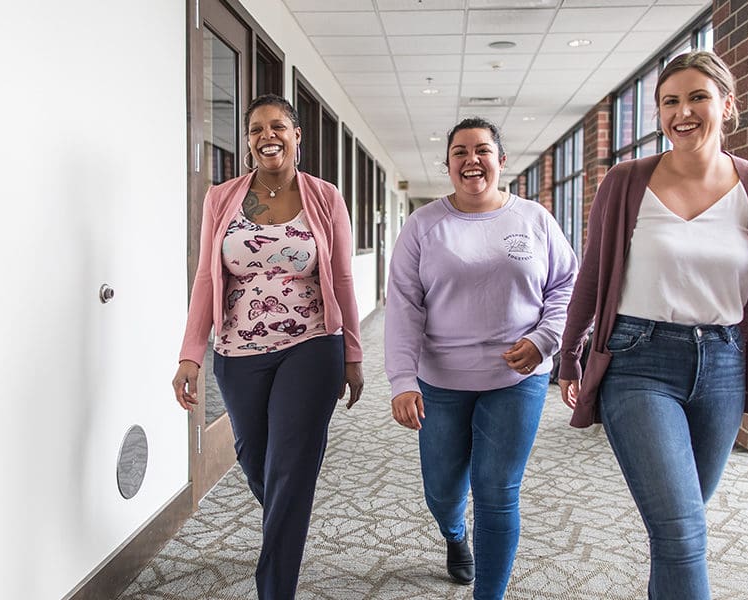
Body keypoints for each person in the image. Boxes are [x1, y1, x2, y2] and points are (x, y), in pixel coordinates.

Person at [558, 51, 748, 600]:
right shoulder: (626, 182)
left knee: (680, 525)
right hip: (638, 361)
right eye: (670, 101)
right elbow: (593, 275)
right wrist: (570, 353)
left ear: (727, 105)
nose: (684, 111)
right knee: (683, 532)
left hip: (723, 365)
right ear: (659, 113)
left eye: (698, 97)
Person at [171, 93, 364, 600]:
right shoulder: (222, 198)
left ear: (297, 135)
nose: (266, 136)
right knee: (258, 461)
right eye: (256, 129)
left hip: (312, 345)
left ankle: (275, 588)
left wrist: (354, 353)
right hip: (237, 353)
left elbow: (342, 275)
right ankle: (287, 517)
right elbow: (207, 280)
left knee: (291, 467)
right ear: (249, 140)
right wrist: (191, 352)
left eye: (277, 126)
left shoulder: (325, 196)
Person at [385, 117, 578, 600]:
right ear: (448, 164)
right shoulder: (424, 225)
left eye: (482, 150)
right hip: (441, 380)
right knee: (443, 490)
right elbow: (405, 306)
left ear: (501, 160)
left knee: (497, 491)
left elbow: (566, 285)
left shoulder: (534, 219)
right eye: (460, 152)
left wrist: (545, 338)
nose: (472, 160)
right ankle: (454, 535)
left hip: (519, 379)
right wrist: (402, 379)